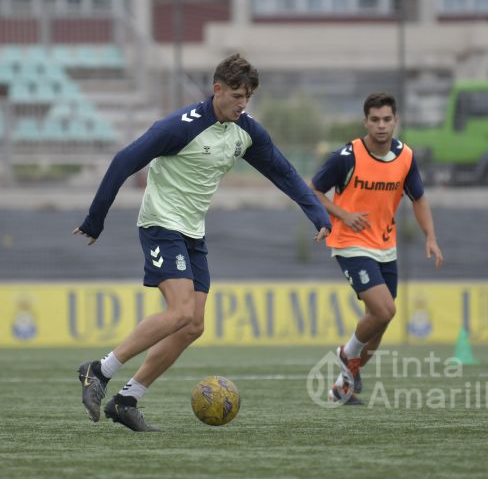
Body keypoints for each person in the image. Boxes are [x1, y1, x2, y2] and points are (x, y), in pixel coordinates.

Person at [74, 54, 332, 431]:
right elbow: (124, 160)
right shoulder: (180, 126)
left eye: (248, 97)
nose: (243, 104)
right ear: (217, 90)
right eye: (237, 95)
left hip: (192, 231)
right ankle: (98, 370)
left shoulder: (247, 132)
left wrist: (318, 213)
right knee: (179, 312)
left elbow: (283, 172)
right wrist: (95, 219)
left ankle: (127, 399)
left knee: (193, 325)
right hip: (161, 224)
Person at [311, 92, 444, 405]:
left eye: (387, 119)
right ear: (365, 122)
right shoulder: (347, 156)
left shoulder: (406, 157)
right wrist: (342, 214)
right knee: (385, 309)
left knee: (380, 323)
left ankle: (341, 390)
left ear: (395, 120)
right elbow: (314, 190)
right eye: (375, 120)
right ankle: (347, 353)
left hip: (386, 245)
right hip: (350, 243)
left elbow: (419, 198)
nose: (381, 125)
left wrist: (431, 236)